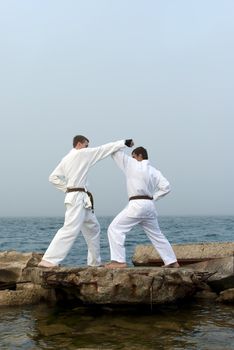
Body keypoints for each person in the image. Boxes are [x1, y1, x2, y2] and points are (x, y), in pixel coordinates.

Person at [38, 136, 133, 268]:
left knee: (93, 228)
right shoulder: (82, 153)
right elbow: (103, 149)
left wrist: (67, 188)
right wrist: (123, 143)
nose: (88, 148)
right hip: (77, 197)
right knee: (70, 228)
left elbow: (53, 177)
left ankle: (94, 262)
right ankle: (49, 260)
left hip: (81, 198)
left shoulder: (66, 158)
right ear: (79, 144)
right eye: (86, 145)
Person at [105, 146, 179, 269]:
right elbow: (166, 187)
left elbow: (114, 151)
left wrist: (123, 143)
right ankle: (172, 261)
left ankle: (119, 261)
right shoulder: (154, 171)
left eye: (133, 156)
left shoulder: (132, 165)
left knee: (115, 228)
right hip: (149, 206)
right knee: (157, 235)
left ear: (139, 156)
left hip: (137, 205)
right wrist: (153, 197)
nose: (132, 158)